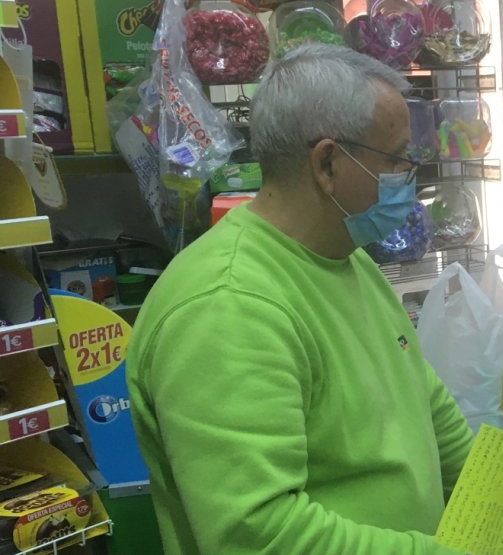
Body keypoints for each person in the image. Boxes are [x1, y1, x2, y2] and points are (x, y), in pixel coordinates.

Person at [127, 45, 473, 555]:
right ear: (328, 163)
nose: (409, 173)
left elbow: (425, 408)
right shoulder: (228, 305)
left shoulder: (344, 256)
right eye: (397, 158)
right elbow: (257, 535)